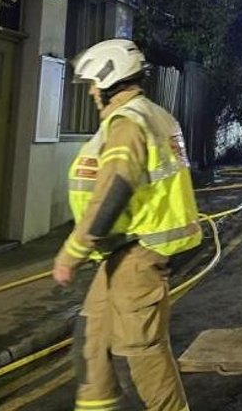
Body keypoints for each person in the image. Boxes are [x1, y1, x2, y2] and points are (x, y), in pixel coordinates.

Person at [52, 38, 201, 411]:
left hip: (138, 252)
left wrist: (72, 252)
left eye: (92, 84)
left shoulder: (127, 123)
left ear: (107, 79)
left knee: (142, 351)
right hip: (121, 252)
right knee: (92, 338)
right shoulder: (151, 114)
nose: (90, 92)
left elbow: (114, 190)